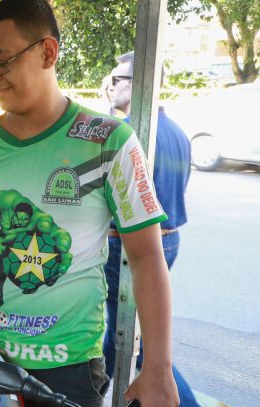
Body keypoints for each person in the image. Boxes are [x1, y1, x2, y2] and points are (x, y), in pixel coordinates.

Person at [0, 2, 179, 406]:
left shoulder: (108, 141)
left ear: (48, 52)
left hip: (65, 365)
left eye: (2, 61)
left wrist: (158, 368)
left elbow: (146, 256)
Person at [105, 51, 199, 406]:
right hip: (170, 238)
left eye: (117, 80)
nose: (110, 87)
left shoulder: (129, 134)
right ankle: (101, 389)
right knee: (122, 335)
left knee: (139, 348)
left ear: (141, 83)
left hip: (131, 250)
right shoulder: (177, 132)